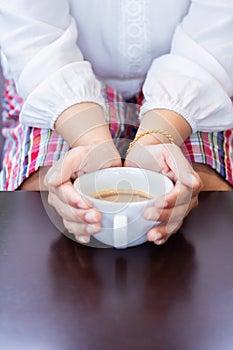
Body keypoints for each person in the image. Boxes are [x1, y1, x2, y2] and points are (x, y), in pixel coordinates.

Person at [0, 0, 232, 246]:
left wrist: (156, 138)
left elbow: (217, 35)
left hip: (195, 81)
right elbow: (34, 35)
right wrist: (90, 141)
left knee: (210, 204)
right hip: (57, 79)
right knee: (38, 204)